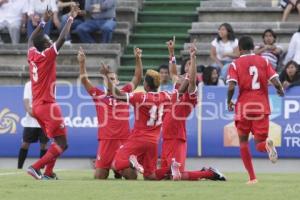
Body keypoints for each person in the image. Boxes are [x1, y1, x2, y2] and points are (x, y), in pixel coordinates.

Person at [160, 37, 226, 181]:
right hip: (167, 135)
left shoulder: (191, 92)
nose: (183, 75)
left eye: (190, 69)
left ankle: (209, 173)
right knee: (165, 174)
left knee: (176, 176)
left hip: (177, 136)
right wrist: (171, 52)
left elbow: (191, 78)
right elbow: (172, 73)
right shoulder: (178, 84)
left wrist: (193, 57)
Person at [26, 6, 79, 180]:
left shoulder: (32, 55)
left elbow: (31, 39)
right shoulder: (47, 56)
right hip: (48, 105)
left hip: (38, 107)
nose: (52, 42)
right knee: (63, 144)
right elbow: (63, 38)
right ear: (46, 46)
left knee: (58, 142)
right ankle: (36, 167)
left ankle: (48, 173)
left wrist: (43, 21)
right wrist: (70, 18)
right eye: (49, 41)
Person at [77, 47, 142, 179]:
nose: (110, 80)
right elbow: (84, 80)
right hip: (106, 140)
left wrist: (138, 59)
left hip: (123, 139)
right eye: (108, 78)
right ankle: (114, 166)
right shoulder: (98, 95)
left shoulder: (125, 93)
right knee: (99, 176)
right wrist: (82, 62)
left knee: (132, 177)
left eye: (113, 79)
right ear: (104, 81)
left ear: (117, 81)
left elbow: (137, 77)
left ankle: (117, 167)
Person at [227, 36, 285, 185]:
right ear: (253, 47)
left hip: (244, 107)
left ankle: (252, 178)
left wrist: (228, 101)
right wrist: (280, 90)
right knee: (260, 144)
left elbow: (232, 86)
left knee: (243, 142)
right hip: (261, 106)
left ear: (240, 48)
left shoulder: (235, 64)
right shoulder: (264, 61)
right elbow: (275, 80)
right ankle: (267, 145)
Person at [18, 81, 49, 169]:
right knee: (25, 144)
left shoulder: (47, 84)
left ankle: (41, 168)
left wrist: (42, 115)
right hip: (30, 120)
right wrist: (33, 113)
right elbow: (26, 103)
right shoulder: (28, 84)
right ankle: (19, 168)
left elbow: (49, 102)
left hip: (44, 121)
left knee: (44, 145)